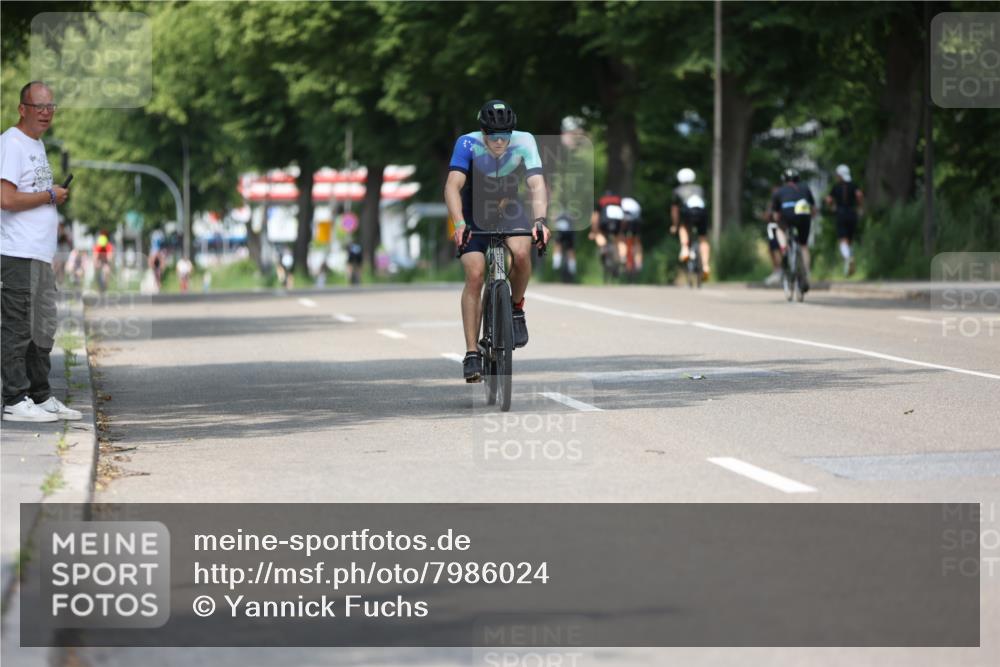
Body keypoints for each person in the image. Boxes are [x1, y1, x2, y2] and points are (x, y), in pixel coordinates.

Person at [444, 100, 550, 382]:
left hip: (508, 207)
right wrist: (459, 223)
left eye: (505, 135)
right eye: (493, 136)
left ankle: (515, 309)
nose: (500, 141)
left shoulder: (525, 141)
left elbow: (537, 184)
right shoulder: (467, 144)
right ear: (483, 132)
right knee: (476, 273)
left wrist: (540, 220)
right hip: (473, 211)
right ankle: (471, 352)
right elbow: (453, 186)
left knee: (522, 253)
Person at [1, 81, 81, 422]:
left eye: (51, 106)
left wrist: (54, 216)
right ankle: (15, 399)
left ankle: (40, 394)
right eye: (39, 107)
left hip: (40, 254)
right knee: (18, 328)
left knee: (43, 329)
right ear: (23, 109)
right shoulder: (11, 144)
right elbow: (6, 198)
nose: (46, 113)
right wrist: (50, 197)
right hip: (16, 254)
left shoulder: (38, 145)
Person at [770, 167, 816, 292]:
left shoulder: (778, 192)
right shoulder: (805, 188)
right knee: (803, 245)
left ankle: (784, 249)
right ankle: (806, 274)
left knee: (779, 229)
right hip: (804, 216)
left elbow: (775, 215)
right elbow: (813, 209)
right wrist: (811, 218)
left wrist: (777, 218)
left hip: (787, 215)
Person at [670, 168, 710, 280]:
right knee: (703, 239)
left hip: (688, 213)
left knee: (682, 227)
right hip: (702, 213)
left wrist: (675, 225)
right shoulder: (699, 189)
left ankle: (685, 249)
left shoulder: (677, 191)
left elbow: (675, 210)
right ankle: (706, 266)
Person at [824, 164, 864, 276]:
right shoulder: (853, 185)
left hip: (841, 214)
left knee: (842, 239)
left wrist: (832, 207)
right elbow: (859, 195)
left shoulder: (836, 187)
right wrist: (860, 208)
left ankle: (847, 258)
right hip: (852, 213)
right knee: (850, 240)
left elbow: (828, 199)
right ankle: (849, 263)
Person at [590, 191, 624, 275]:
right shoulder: (618, 201)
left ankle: (603, 247)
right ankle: (622, 256)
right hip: (617, 222)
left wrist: (593, 231)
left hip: (605, 221)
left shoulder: (602, 201)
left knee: (599, 234)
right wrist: (621, 231)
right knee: (619, 240)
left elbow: (595, 217)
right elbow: (623, 216)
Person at [621, 196, 643, 275]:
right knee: (637, 241)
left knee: (621, 239)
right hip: (635, 222)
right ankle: (638, 263)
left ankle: (622, 256)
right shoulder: (635, 203)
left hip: (626, 222)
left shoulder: (622, 202)